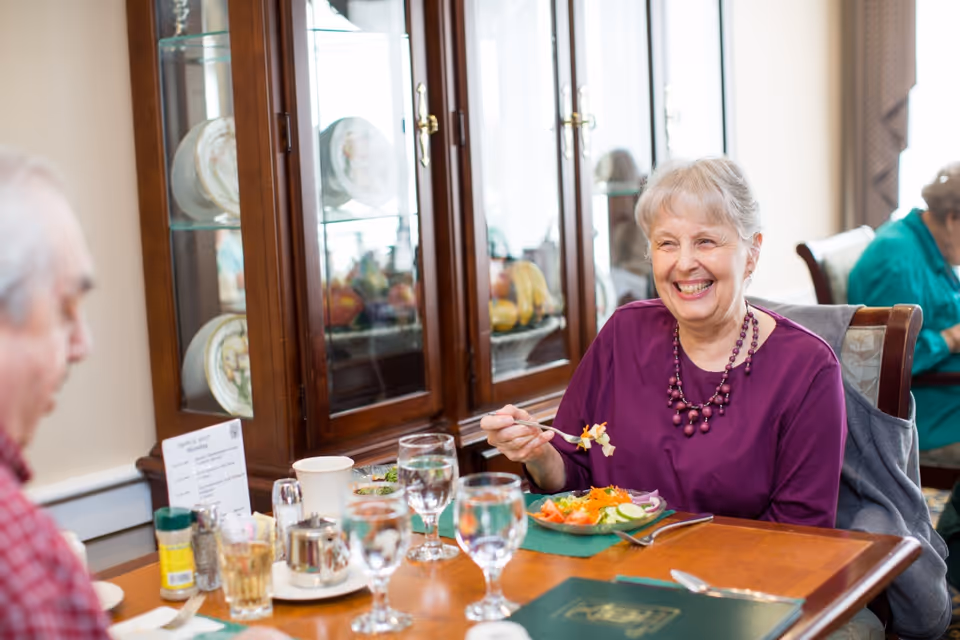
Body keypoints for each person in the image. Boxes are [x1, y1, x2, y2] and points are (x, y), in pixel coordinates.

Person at [481, 157, 848, 528]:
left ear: (752, 252)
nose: (685, 263)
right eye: (667, 243)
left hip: (732, 582)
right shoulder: (623, 334)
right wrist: (540, 453)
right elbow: (574, 480)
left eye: (705, 241)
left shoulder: (807, 369)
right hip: (610, 573)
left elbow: (802, 536)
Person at [848, 161, 960, 455]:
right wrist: (950, 338)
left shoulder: (933, 244)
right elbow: (887, 361)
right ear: (953, 218)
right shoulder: (895, 261)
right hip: (924, 404)